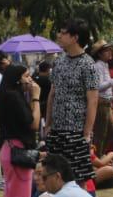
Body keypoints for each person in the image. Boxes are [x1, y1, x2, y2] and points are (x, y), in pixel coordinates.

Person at [41, 19, 98, 187]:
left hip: (76, 130)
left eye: (63, 32)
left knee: (78, 177)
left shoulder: (88, 64)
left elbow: (92, 100)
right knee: (54, 177)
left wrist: (86, 133)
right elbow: (52, 94)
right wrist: (48, 123)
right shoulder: (59, 62)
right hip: (56, 130)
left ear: (75, 37)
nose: (59, 35)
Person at [0, 64, 41, 197]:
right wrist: (36, 97)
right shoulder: (14, 97)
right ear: (17, 80)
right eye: (26, 76)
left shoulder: (7, 96)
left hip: (9, 149)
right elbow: (34, 124)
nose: (30, 80)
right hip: (18, 152)